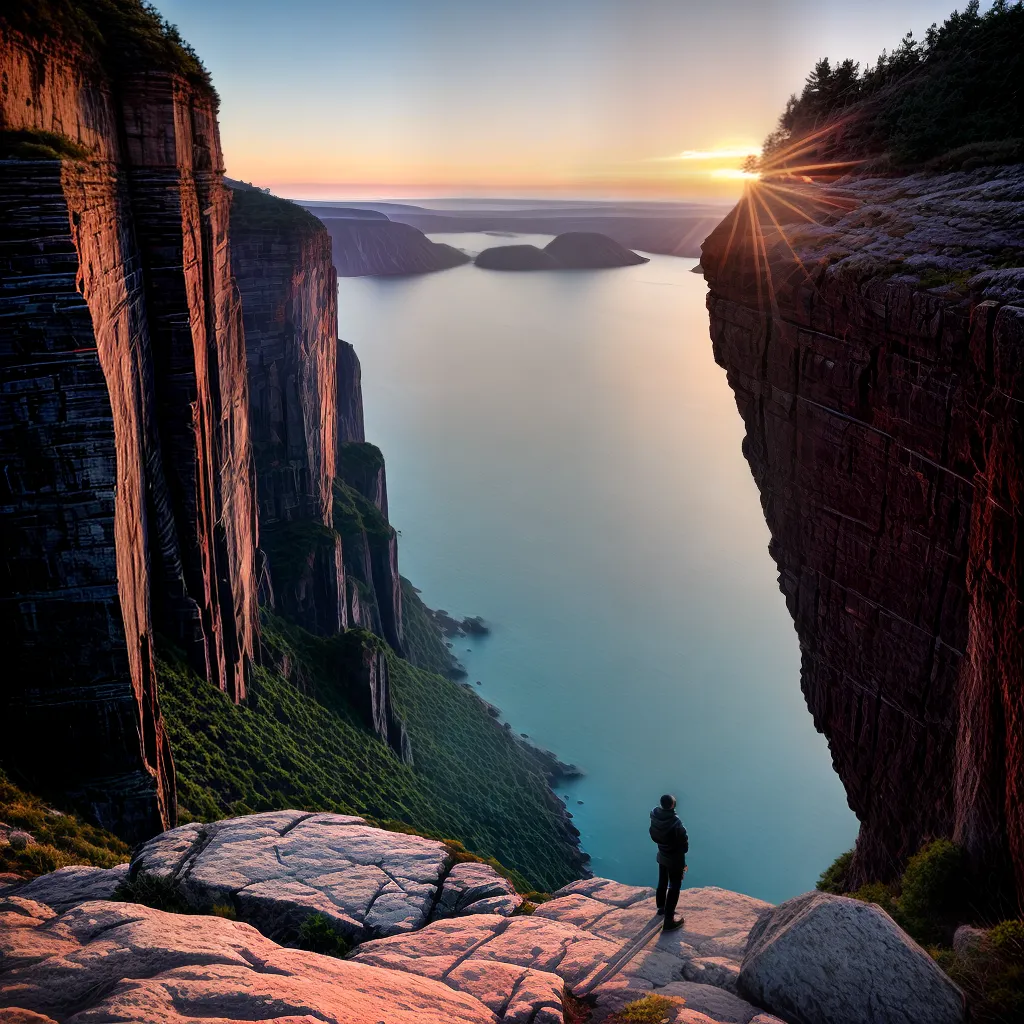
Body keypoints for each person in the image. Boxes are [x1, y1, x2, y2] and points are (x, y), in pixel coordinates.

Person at [649, 793, 688, 931]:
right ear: (672, 805)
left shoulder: (654, 815)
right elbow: (684, 845)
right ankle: (669, 921)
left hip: (662, 853)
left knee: (662, 881)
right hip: (675, 859)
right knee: (674, 886)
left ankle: (661, 909)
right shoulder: (676, 823)